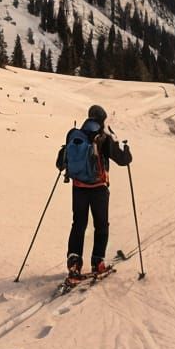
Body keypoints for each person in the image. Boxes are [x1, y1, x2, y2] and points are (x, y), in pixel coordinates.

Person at [57, 104, 133, 280]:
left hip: (78, 187)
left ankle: (74, 263)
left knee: (78, 224)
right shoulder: (103, 137)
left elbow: (60, 163)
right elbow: (123, 160)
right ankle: (97, 262)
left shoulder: (75, 135)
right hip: (99, 188)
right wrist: (126, 150)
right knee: (101, 225)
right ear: (102, 120)